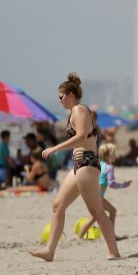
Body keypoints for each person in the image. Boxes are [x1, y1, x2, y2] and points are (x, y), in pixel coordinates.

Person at [29, 73, 121, 261]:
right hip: (79, 165)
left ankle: (114, 252)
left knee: (96, 211)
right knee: (58, 206)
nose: (60, 100)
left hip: (87, 163)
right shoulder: (76, 112)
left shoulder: (79, 110)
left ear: (71, 94)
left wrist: (55, 148)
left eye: (61, 96)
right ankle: (50, 251)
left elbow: (80, 136)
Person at [77, 143, 132, 240]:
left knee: (94, 216)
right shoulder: (109, 167)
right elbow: (111, 184)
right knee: (113, 211)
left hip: (91, 193)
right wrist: (124, 185)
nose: (115, 155)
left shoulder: (99, 164)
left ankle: (79, 237)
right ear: (109, 155)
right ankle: (112, 236)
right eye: (114, 153)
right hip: (98, 195)